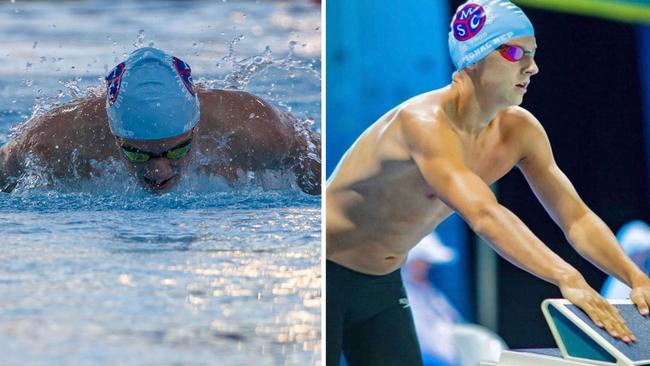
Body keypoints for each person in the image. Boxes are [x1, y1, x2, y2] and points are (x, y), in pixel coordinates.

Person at [326, 1, 650, 365]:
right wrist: (567, 276)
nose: (532, 67)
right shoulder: (424, 123)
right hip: (323, 275)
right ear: (473, 57)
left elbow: (576, 218)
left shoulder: (519, 131)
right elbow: (485, 215)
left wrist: (636, 277)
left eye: (533, 54)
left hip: (382, 286)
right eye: (515, 52)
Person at [0, 47, 320, 195]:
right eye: (137, 153)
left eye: (177, 150)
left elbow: (325, 171)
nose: (158, 171)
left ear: (196, 128)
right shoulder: (51, 143)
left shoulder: (256, 129)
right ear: (114, 136)